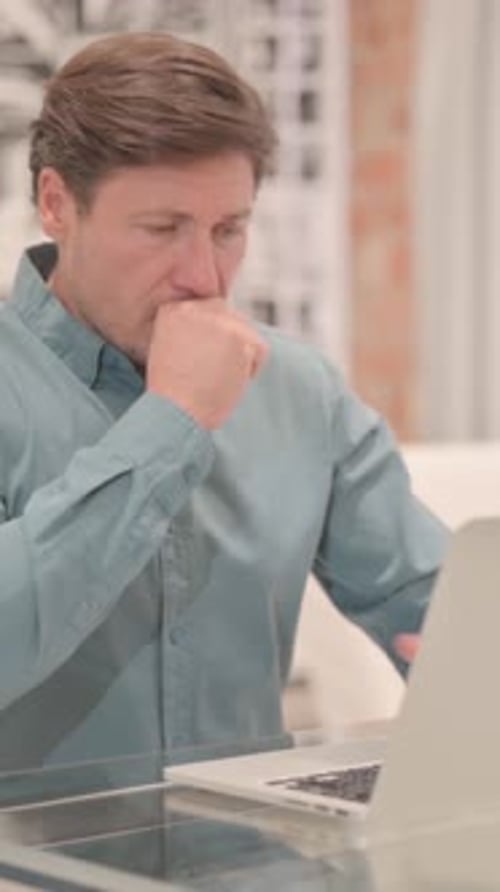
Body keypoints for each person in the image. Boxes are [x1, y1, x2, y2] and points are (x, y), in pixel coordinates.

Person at [0, 31, 446, 778]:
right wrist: (171, 421)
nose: (204, 275)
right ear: (56, 204)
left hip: (256, 868)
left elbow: (435, 607)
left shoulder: (300, 390)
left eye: (229, 230)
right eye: (162, 229)